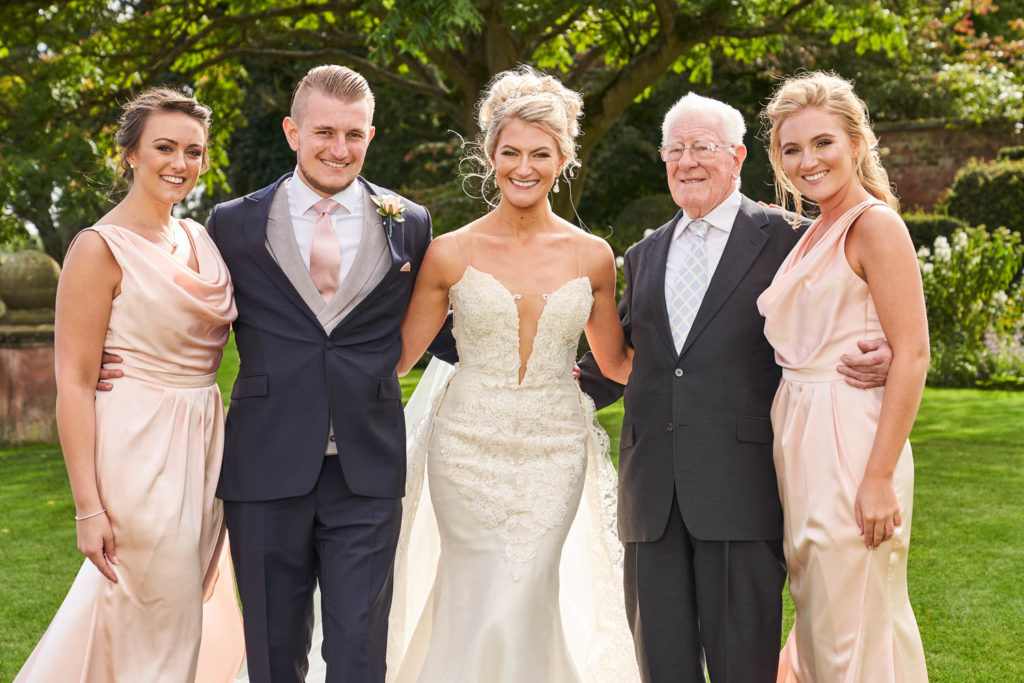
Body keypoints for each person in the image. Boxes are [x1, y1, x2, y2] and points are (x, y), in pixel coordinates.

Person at [577, 92, 893, 683]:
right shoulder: (643, 254)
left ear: (739, 156)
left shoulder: (789, 237)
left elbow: (853, 303)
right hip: (652, 499)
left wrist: (890, 348)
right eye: (676, 150)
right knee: (661, 667)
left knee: (743, 668)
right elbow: (623, 359)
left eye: (703, 147)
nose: (687, 161)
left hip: (743, 489)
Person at [200, 65, 454, 683]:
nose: (340, 149)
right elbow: (194, 320)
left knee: (359, 652)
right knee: (272, 650)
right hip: (264, 463)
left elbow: (444, 326)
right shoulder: (231, 223)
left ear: (371, 135)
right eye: (324, 133)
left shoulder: (409, 222)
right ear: (292, 131)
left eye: (355, 135)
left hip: (365, 469)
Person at [388, 65, 640, 682]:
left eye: (539, 154)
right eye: (510, 153)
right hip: (466, 446)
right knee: (475, 591)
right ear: (490, 155)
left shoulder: (593, 256)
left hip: (555, 449)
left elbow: (616, 364)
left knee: (528, 592)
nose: (523, 167)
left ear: (563, 160)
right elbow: (393, 358)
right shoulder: (449, 251)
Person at [16, 87, 244, 682]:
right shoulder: (98, 248)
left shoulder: (199, 237)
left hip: (205, 441)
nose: (180, 163)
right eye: (163, 147)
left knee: (175, 607)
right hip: (139, 445)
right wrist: (87, 509)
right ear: (129, 155)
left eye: (193, 151)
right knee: (158, 610)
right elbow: (71, 381)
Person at [758, 71, 929, 682]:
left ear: (857, 144)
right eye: (792, 149)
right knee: (815, 604)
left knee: (850, 617)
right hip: (796, 432)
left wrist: (878, 477)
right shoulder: (810, 232)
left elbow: (911, 354)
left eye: (823, 142)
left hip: (850, 438)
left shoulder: (874, 225)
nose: (808, 161)